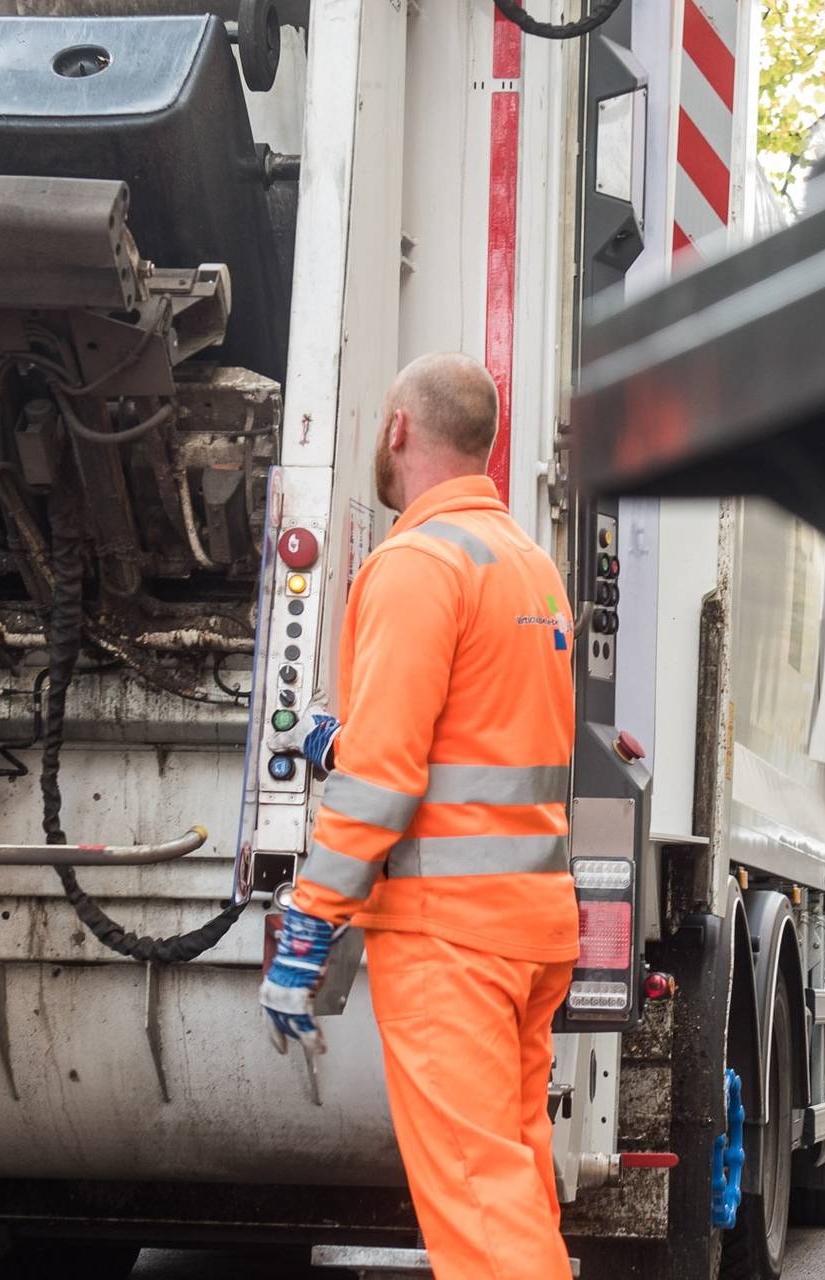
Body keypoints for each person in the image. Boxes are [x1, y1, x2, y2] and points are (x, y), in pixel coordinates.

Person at [261, 352, 580, 1280]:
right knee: (516, 1190)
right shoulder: (528, 567)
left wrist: (310, 922)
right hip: (529, 930)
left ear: (398, 428)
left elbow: (385, 780)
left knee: (482, 1213)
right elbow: (474, 742)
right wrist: (346, 741)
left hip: (452, 942)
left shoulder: (415, 565)